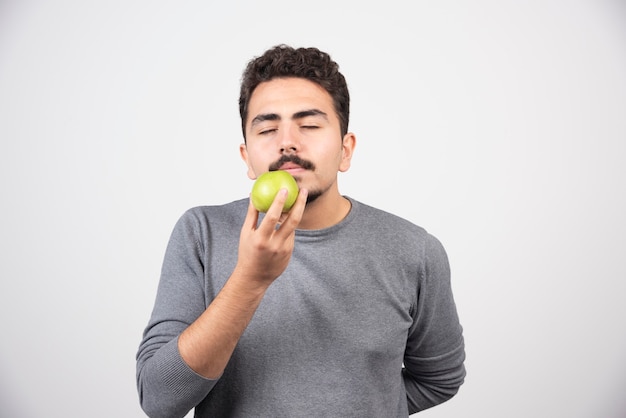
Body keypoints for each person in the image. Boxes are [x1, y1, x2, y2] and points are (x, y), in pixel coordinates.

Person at [136, 44, 466, 418]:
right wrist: (249, 280)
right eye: (268, 128)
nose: (287, 141)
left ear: (346, 150)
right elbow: (159, 400)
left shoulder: (414, 250)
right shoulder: (201, 234)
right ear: (247, 157)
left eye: (309, 125)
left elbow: (439, 379)